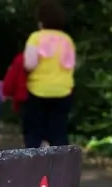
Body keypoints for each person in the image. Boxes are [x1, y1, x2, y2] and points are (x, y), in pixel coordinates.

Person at [22, 0, 75, 148]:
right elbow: (71, 65)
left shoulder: (36, 37)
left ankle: (35, 166)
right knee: (59, 132)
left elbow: (29, 64)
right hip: (63, 91)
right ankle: (59, 167)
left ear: (41, 20)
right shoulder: (68, 40)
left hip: (38, 91)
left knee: (34, 133)